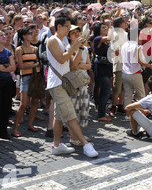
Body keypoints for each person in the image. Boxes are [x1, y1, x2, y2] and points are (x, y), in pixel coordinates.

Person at [46, 16, 98, 157]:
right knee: (70, 114)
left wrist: (79, 48)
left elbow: (72, 64)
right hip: (56, 83)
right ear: (59, 27)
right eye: (67, 26)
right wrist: (74, 47)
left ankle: (56, 146)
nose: (70, 29)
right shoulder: (52, 40)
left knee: (59, 116)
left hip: (63, 82)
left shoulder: (62, 42)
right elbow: (61, 58)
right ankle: (85, 144)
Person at [12, 26, 41, 137]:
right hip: (25, 77)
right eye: (29, 33)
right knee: (23, 104)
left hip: (35, 77)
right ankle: (15, 128)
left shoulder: (35, 49)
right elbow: (21, 66)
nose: (32, 34)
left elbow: (38, 63)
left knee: (34, 102)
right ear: (24, 36)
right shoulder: (19, 49)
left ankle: (30, 124)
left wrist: (34, 65)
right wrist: (34, 65)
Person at [66, 25, 92, 145]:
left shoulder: (84, 49)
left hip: (83, 83)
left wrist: (80, 65)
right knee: (74, 111)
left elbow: (88, 65)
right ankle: (74, 138)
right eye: (73, 33)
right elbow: (73, 65)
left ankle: (79, 135)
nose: (76, 34)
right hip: (73, 84)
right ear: (69, 36)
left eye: (78, 32)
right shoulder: (69, 48)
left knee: (83, 110)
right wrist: (80, 49)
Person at [92, 21, 114, 122]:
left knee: (105, 92)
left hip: (106, 66)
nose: (105, 29)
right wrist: (110, 26)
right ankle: (100, 114)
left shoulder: (104, 42)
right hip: (102, 68)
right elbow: (110, 37)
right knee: (106, 92)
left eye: (106, 27)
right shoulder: (97, 38)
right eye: (103, 27)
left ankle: (102, 112)